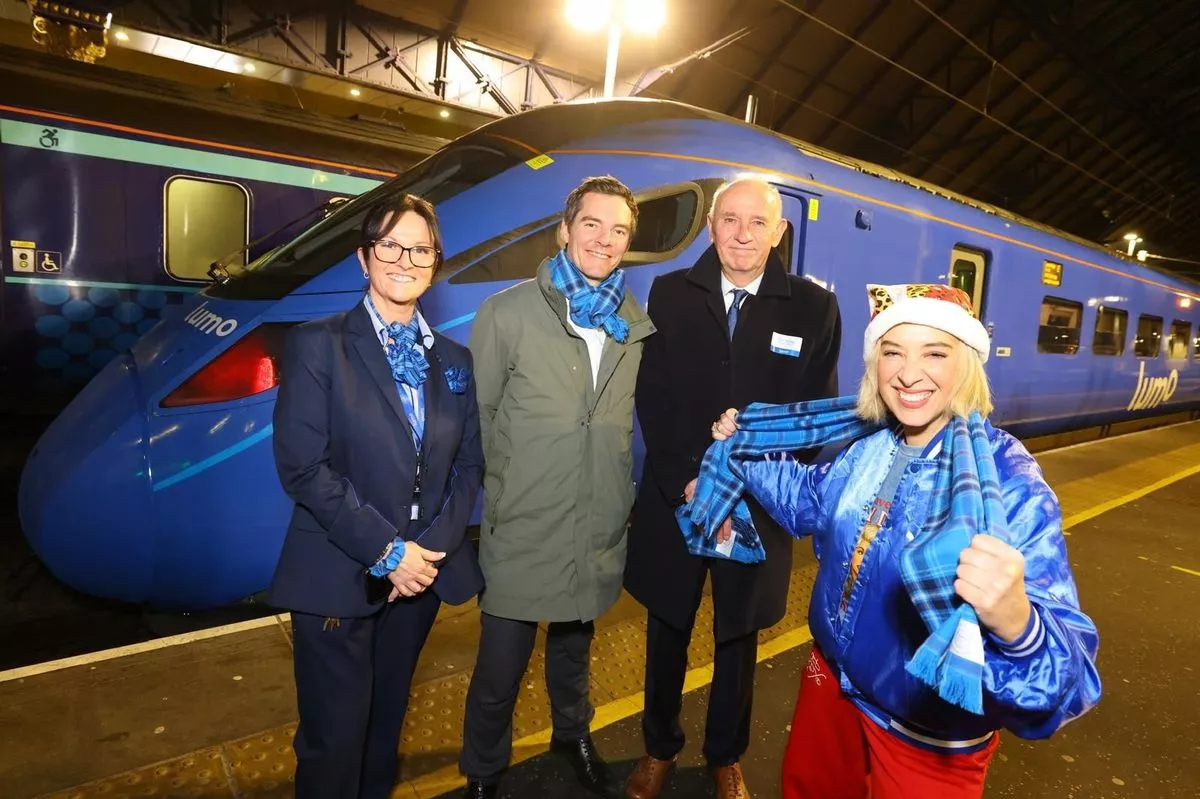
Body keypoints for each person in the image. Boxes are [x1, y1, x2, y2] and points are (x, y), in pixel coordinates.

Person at [701, 283, 1102, 799]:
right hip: (833, 687)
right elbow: (808, 500)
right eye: (892, 352)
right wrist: (745, 448)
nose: (908, 373)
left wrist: (1017, 624)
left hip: (927, 731)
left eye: (935, 353)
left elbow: (1065, 681)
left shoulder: (1007, 481)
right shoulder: (870, 445)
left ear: (967, 364)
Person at [624, 177, 842, 799]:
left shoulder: (812, 308)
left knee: (737, 635)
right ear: (712, 225)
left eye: (758, 223)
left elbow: (813, 414)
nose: (743, 234)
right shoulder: (668, 294)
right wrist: (688, 480)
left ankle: (726, 753)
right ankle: (658, 746)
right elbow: (654, 396)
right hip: (679, 497)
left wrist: (749, 474)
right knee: (668, 626)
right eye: (730, 220)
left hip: (757, 503)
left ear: (779, 233)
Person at [268, 194, 484, 799]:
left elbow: (469, 465)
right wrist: (389, 552)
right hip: (339, 572)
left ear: (435, 262)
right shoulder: (319, 344)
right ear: (364, 258)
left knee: (384, 729)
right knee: (333, 740)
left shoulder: (454, 360)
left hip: (421, 583)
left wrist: (425, 555)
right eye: (389, 244)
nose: (404, 259)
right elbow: (303, 467)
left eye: (419, 248)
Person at [458, 175, 655, 799]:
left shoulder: (632, 324)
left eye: (618, 229)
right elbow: (480, 422)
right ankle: (483, 771)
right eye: (591, 224)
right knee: (500, 665)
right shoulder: (507, 313)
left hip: (596, 519)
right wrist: (507, 495)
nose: (604, 239)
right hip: (525, 522)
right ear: (565, 230)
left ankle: (571, 735)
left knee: (575, 649)